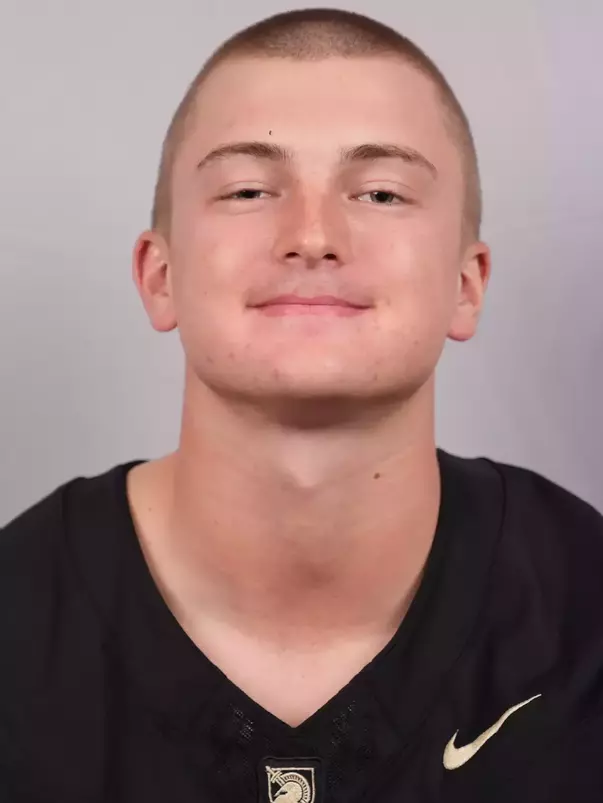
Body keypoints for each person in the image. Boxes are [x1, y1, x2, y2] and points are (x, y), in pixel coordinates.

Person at [1, 7, 602, 803]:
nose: (313, 235)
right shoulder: (16, 623)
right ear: (159, 276)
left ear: (467, 285)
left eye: (381, 192)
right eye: (248, 189)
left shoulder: (583, 610)